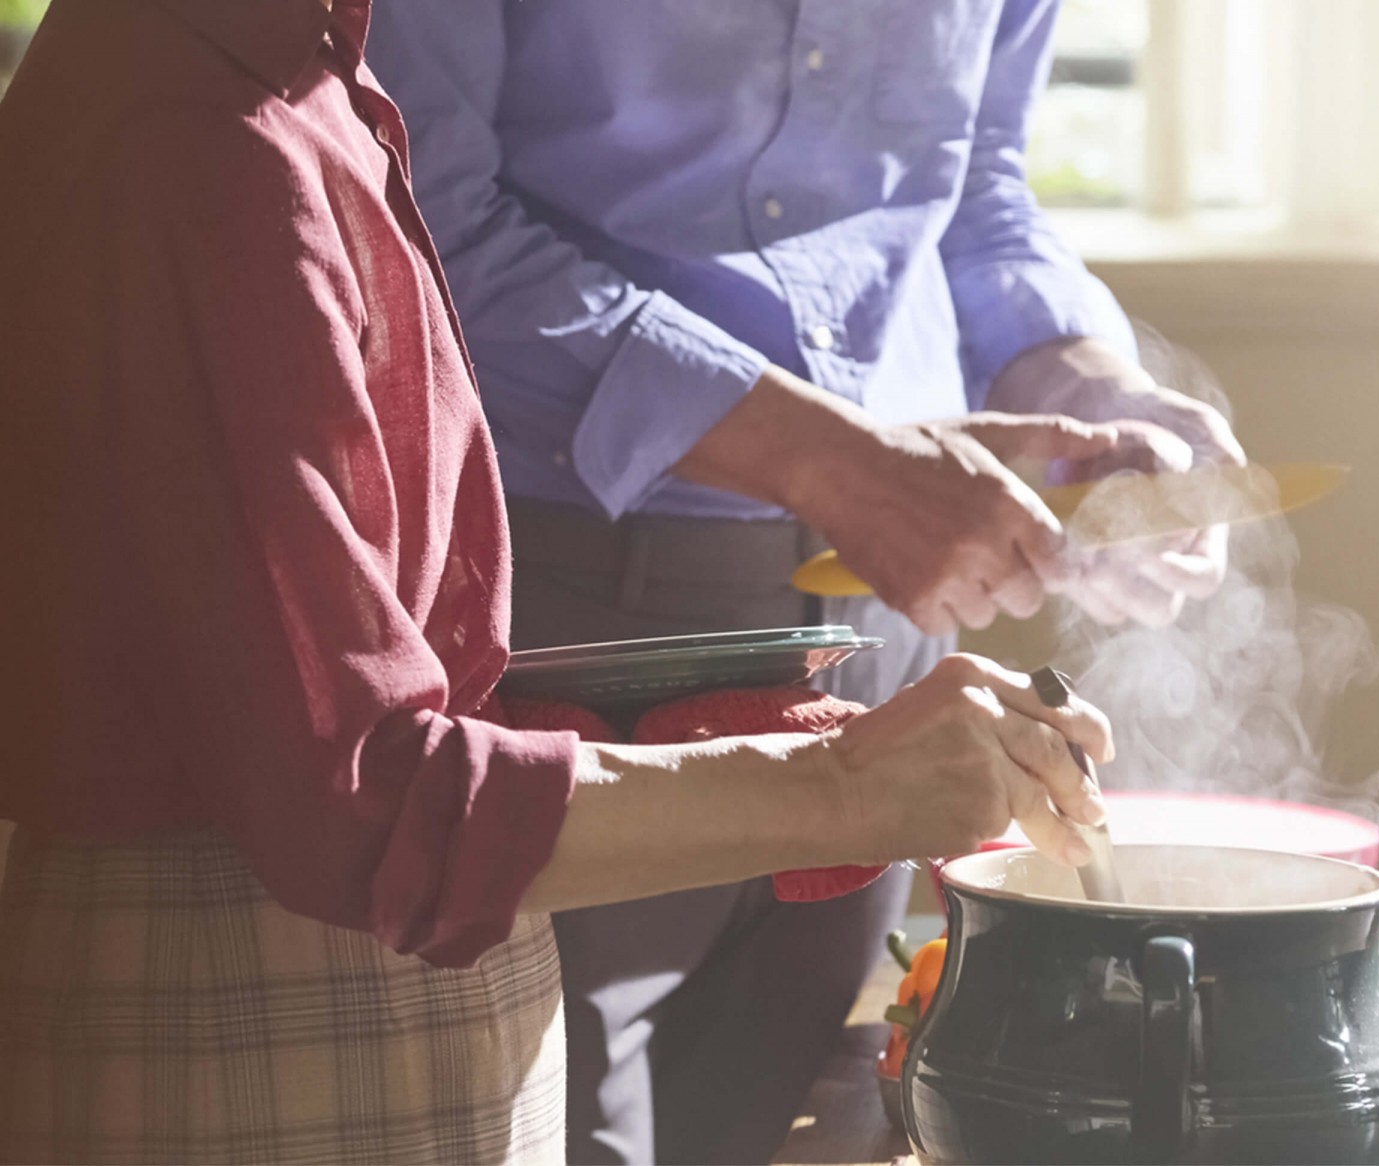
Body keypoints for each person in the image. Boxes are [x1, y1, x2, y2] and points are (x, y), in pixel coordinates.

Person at [0, 1, 1114, 1162]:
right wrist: (845, 783)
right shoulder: (196, 137)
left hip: (364, 1005)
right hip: (245, 1025)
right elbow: (363, 798)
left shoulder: (308, 77)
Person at [366, 4, 1247, 1159]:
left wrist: (1093, 384)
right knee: (560, 1129)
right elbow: (418, 227)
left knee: (754, 1126)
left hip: (891, 627)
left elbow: (973, 187)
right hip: (571, 606)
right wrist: (829, 459)